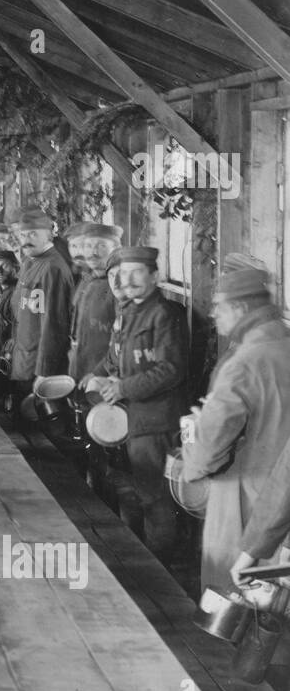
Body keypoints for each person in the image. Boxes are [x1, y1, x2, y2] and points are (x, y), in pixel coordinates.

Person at [174, 264, 290, 593]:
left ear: (239, 308)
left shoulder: (242, 363)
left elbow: (208, 452)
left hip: (244, 502)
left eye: (217, 307)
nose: (213, 315)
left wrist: (194, 433)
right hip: (282, 507)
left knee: (233, 597)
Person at [84, 246, 189, 561]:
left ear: (155, 276)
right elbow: (117, 356)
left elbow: (172, 369)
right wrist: (99, 374)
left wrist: (124, 388)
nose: (126, 281)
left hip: (155, 421)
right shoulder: (127, 311)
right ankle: (136, 556)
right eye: (121, 274)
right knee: (130, 491)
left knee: (154, 497)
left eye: (136, 273)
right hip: (131, 419)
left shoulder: (165, 314)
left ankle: (160, 566)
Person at [9, 208, 75, 396]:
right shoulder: (30, 262)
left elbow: (54, 325)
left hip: (38, 365)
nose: (26, 240)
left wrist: (45, 371)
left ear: (48, 236)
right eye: (23, 235)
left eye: (33, 234)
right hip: (23, 359)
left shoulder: (52, 268)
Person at [68, 222, 123, 382]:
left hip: (102, 374)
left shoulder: (118, 286)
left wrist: (102, 373)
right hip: (79, 363)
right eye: (88, 246)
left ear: (116, 249)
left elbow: (122, 340)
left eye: (101, 246)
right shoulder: (87, 279)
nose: (92, 252)